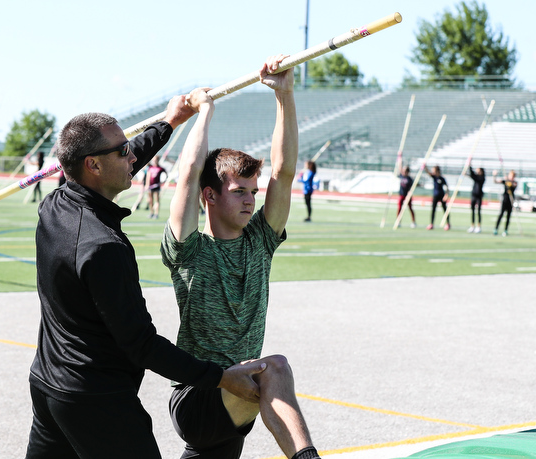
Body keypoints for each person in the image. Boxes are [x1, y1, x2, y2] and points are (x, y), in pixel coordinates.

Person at [25, 96, 266, 459]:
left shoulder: (54, 205)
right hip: (96, 399)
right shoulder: (102, 247)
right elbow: (141, 345)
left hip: (47, 385)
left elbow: (123, 158)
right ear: (92, 164)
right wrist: (219, 377)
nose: (132, 157)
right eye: (123, 152)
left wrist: (168, 124)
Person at [161, 55, 322, 459]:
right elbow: (186, 178)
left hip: (240, 396)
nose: (251, 199)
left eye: (252, 190)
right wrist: (205, 112)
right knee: (277, 369)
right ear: (210, 196)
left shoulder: (260, 242)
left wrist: (284, 95)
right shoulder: (190, 249)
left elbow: (284, 173)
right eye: (239, 191)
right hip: (201, 396)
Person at [492, 169, 517, 236]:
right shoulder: (505, 181)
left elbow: (513, 186)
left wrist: (509, 183)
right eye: (511, 175)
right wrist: (494, 175)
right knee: (501, 214)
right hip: (505, 200)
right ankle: (496, 229)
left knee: (508, 216)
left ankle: (505, 230)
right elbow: (495, 182)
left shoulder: (514, 182)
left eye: (513, 176)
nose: (511, 177)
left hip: (510, 201)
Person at [426, 165, 450, 230]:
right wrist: (425, 167)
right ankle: (431, 224)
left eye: (434, 171)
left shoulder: (442, 178)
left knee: (445, 210)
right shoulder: (434, 177)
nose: (433, 172)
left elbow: (447, 187)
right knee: (433, 210)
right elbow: (428, 173)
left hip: (442, 196)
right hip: (435, 196)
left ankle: (448, 224)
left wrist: (446, 195)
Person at [468, 167, 485, 233]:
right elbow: (473, 175)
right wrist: (470, 167)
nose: (477, 172)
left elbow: (474, 177)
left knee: (478, 212)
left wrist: (471, 170)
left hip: (479, 196)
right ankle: (472, 226)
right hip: (474, 195)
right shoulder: (476, 177)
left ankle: (478, 226)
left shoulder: (482, 178)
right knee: (472, 211)